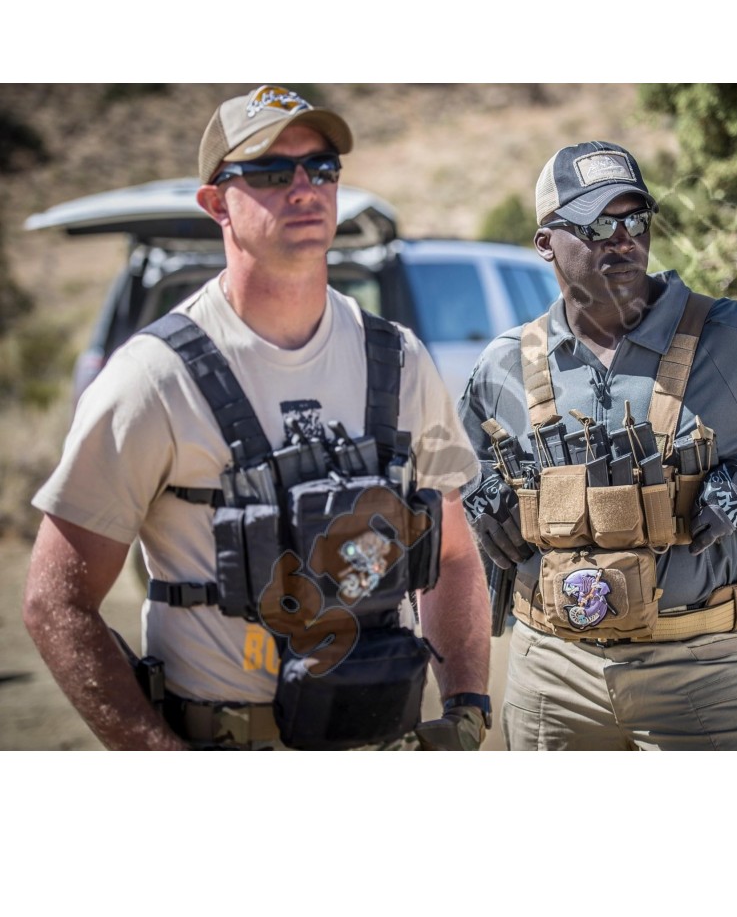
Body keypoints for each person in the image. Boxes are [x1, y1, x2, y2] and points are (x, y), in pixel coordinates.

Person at [23, 85, 492, 751]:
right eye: (272, 172)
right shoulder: (154, 378)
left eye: (322, 168)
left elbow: (451, 554)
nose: (304, 188)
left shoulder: (399, 360)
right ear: (216, 203)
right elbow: (55, 602)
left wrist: (467, 707)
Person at [458, 140, 737, 751]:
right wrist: (476, 496)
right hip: (550, 673)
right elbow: (455, 467)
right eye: (597, 224)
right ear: (546, 242)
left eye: (635, 219)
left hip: (700, 666)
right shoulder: (506, 362)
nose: (622, 239)